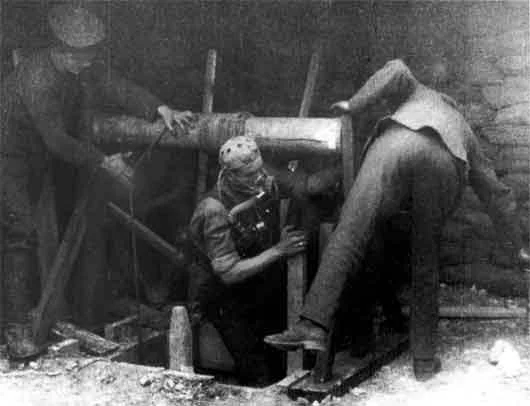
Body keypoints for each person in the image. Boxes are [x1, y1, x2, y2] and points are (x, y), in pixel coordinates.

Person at [264, 59, 528, 380]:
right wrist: (518, 245)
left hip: (393, 146)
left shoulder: (416, 93)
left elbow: (397, 69)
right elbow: (495, 193)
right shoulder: (462, 126)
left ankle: (313, 324)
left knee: (350, 228)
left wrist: (354, 104)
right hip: (445, 161)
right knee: (425, 261)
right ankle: (424, 364)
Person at [0, 4, 193, 359]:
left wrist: (158, 108)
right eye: (82, 57)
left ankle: (40, 314)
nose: (88, 64)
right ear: (62, 50)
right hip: (8, 155)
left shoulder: (78, 66)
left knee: (29, 232)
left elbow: (112, 84)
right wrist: (104, 161)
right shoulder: (38, 79)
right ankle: (14, 329)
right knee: (20, 233)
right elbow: (56, 140)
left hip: (35, 156)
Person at [188, 135, 340, 385]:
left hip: (254, 283)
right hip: (222, 294)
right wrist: (279, 250)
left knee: (281, 355)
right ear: (231, 175)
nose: (259, 179)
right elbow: (228, 272)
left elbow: (306, 186)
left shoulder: (261, 182)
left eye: (260, 171)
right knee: (258, 372)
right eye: (250, 176)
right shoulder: (214, 209)